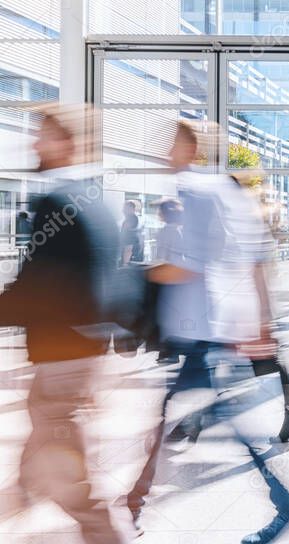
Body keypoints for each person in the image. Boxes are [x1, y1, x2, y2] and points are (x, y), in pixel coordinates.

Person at [128, 121, 289, 544]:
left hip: (199, 327)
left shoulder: (192, 190)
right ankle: (133, 501)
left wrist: (129, 279)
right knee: (195, 415)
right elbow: (258, 258)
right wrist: (260, 318)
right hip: (219, 324)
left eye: (170, 143)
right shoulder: (229, 192)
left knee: (210, 419)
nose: (163, 151)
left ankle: (285, 503)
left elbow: (185, 266)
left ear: (189, 149)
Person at [0, 105, 131, 543]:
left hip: (62, 360)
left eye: (45, 135)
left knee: (69, 481)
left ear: (70, 144)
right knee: (39, 456)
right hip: (78, 358)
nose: (35, 144)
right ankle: (18, 498)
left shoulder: (58, 202)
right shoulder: (98, 200)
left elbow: (39, 285)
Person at [119, 199, 144, 265]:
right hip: (135, 259)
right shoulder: (135, 220)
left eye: (125, 208)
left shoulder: (131, 220)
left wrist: (125, 265)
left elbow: (128, 248)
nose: (123, 211)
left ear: (130, 209)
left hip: (129, 261)